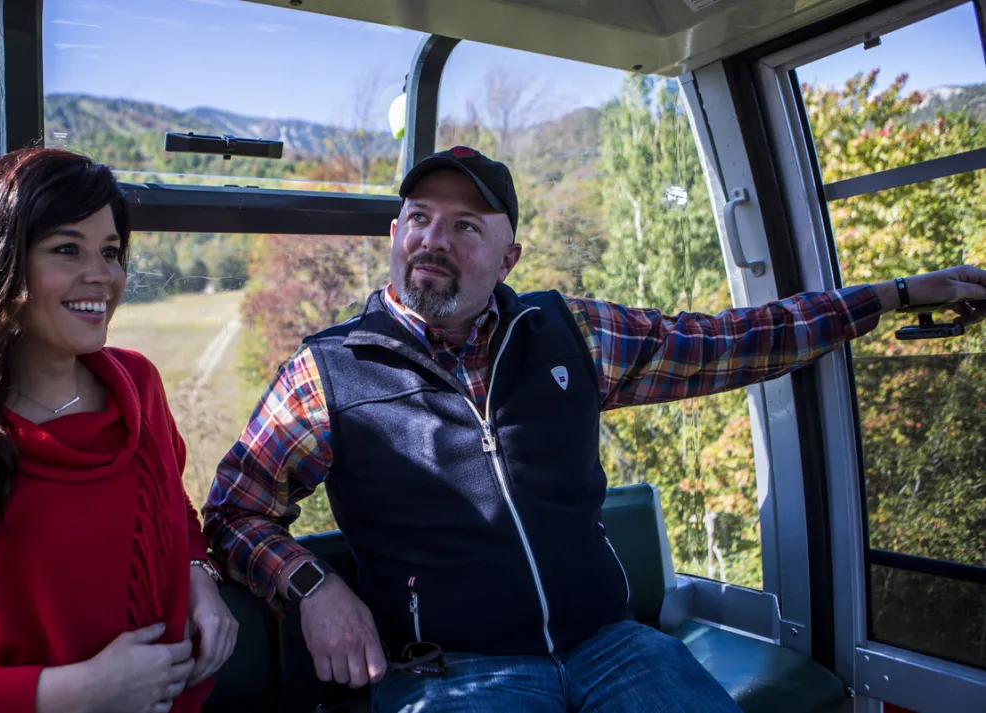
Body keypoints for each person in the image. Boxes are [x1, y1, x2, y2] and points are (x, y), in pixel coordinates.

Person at [202, 146, 986, 712]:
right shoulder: (331, 370)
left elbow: (733, 340)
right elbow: (236, 510)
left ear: (508, 255)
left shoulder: (570, 333)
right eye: (418, 218)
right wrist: (312, 583)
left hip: (616, 647)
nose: (433, 239)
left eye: (465, 225)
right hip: (453, 673)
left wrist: (894, 293)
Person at [0, 148, 238, 713]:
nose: (102, 275)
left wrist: (201, 576)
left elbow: (171, 509)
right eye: (66, 249)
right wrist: (75, 694)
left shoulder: (139, 387)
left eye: (110, 251)